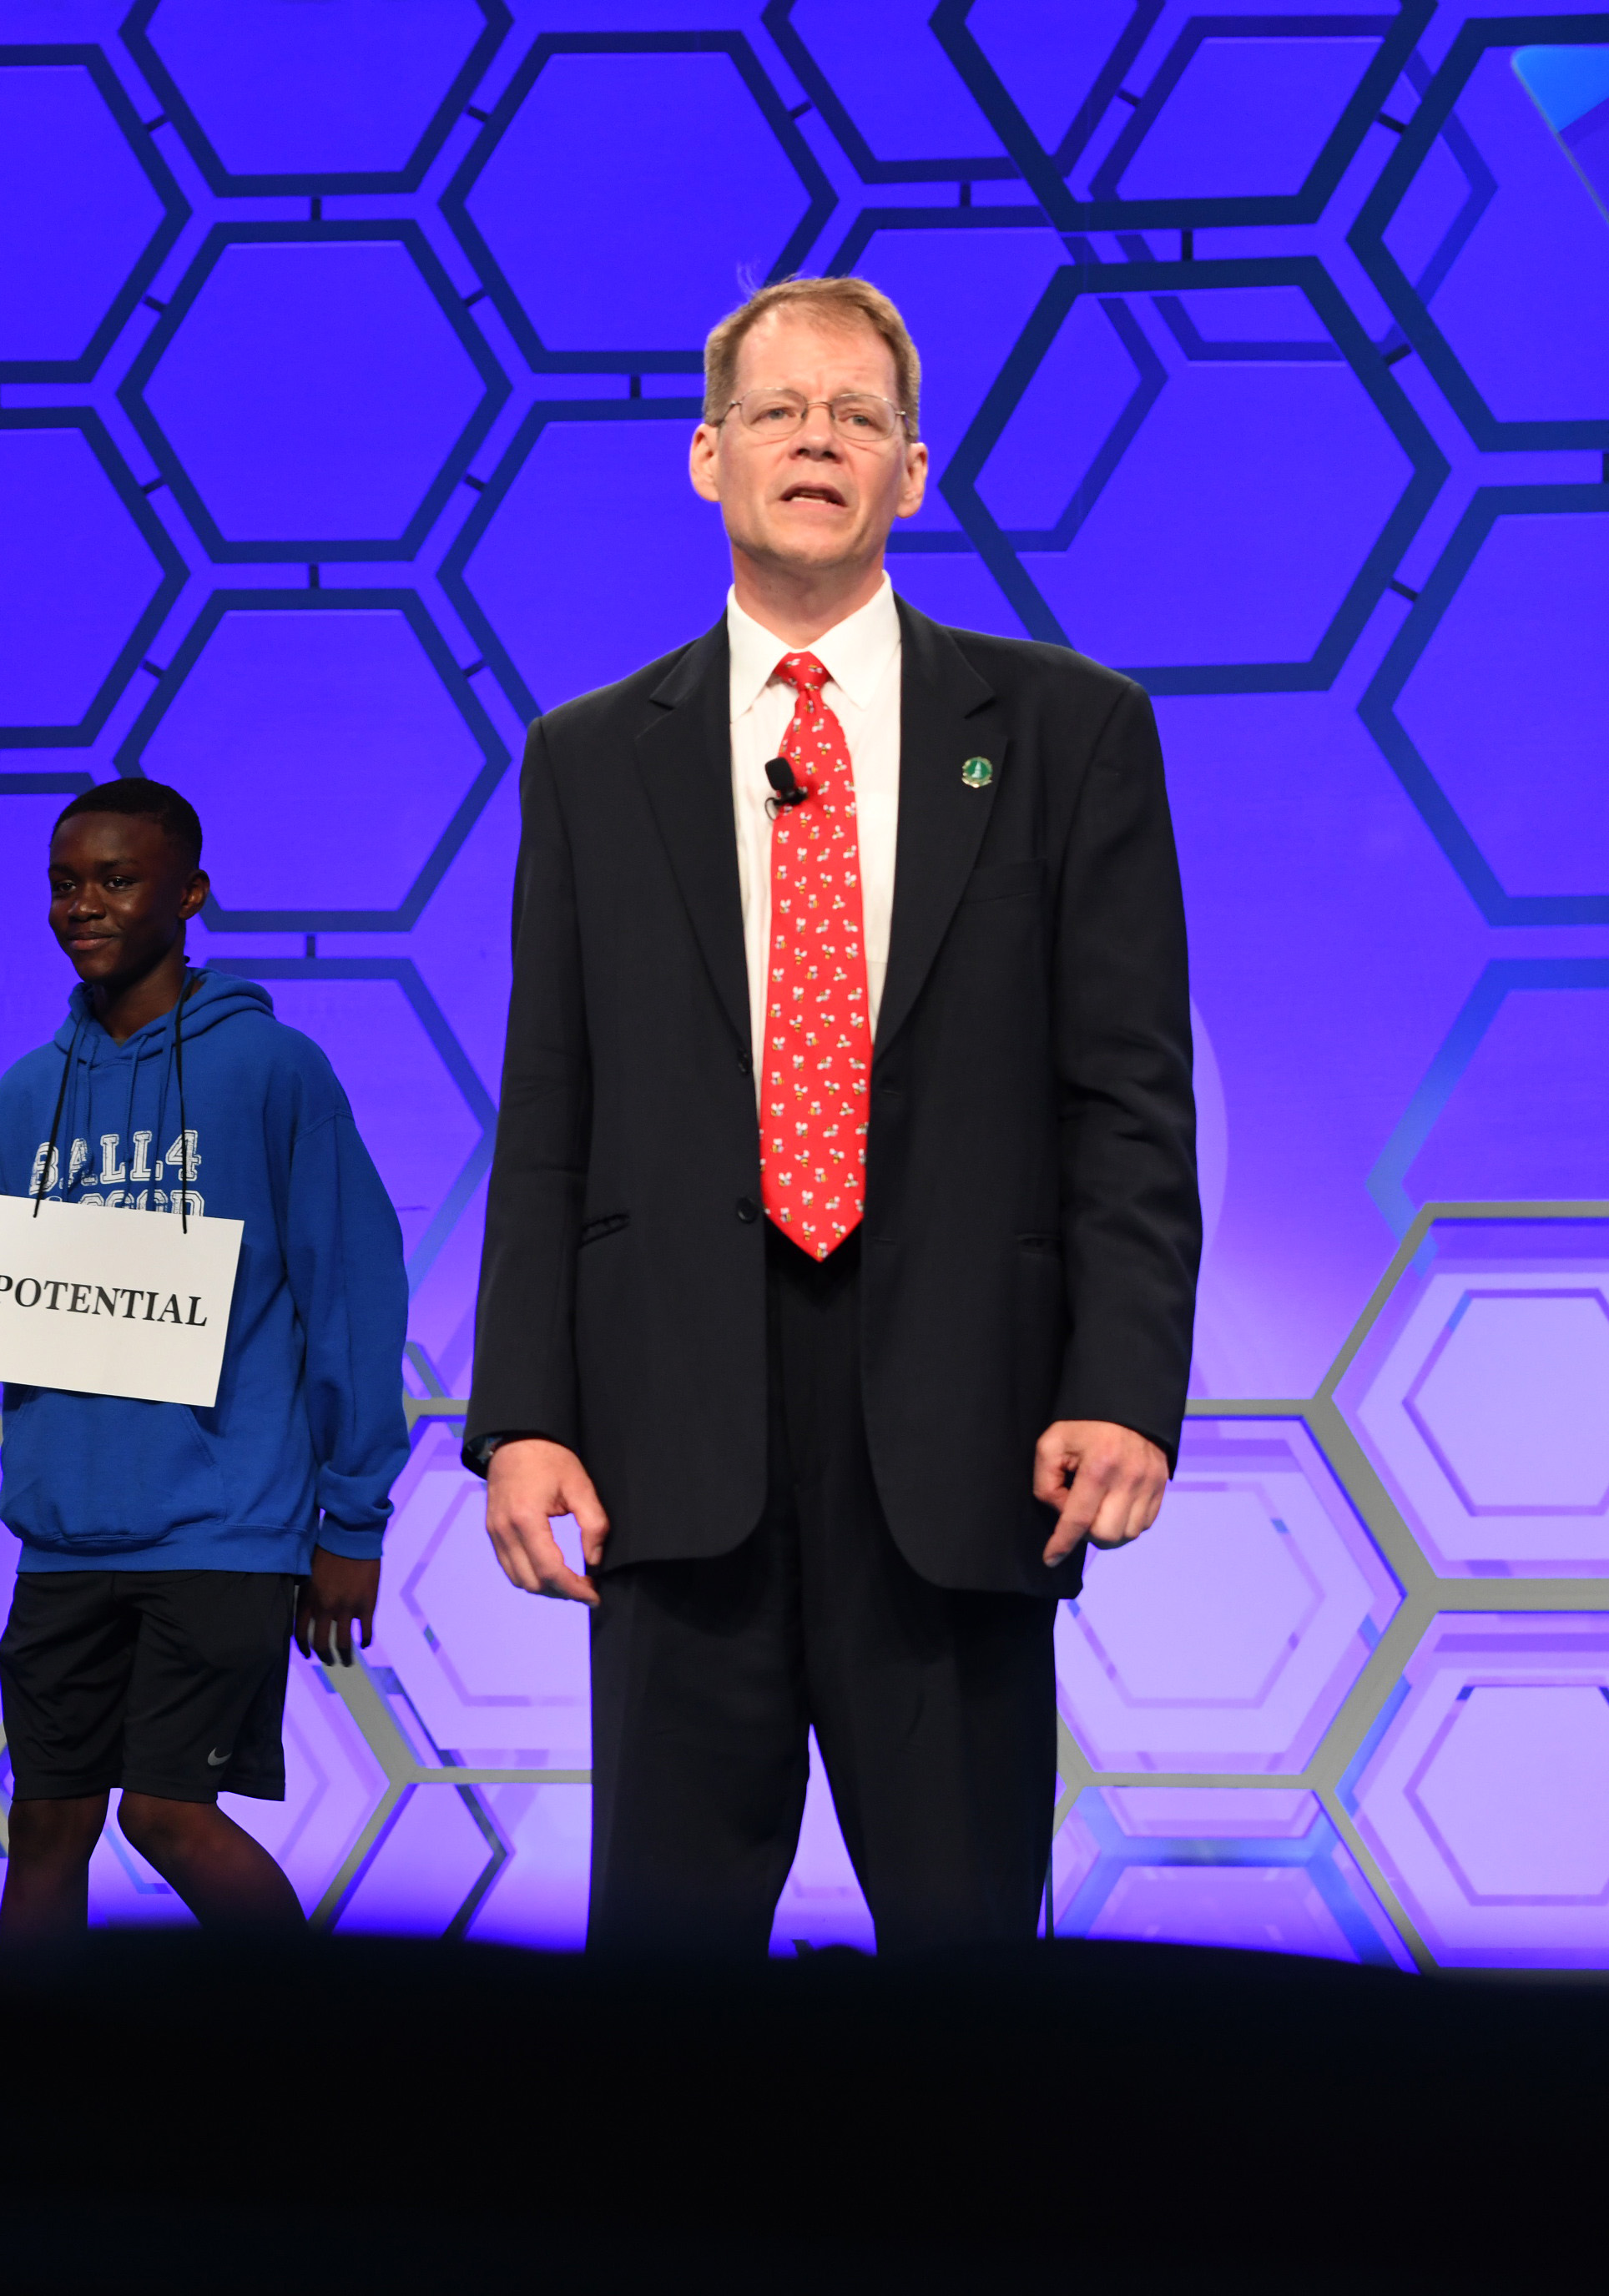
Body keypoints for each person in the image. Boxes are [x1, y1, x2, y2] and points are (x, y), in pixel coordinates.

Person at [464, 276, 1199, 1954]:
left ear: (912, 474)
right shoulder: (590, 759)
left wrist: (1122, 1380)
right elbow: (550, 1110)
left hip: (967, 1438)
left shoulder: (1069, 732)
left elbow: (1129, 1096)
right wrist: (522, 1415)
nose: (819, 441)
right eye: (782, 412)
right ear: (708, 457)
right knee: (660, 1996)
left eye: (858, 416)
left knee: (971, 1985)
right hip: (672, 1446)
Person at [0, 780, 409, 1946]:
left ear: (190, 895)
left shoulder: (274, 1070)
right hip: (66, 1534)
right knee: (48, 1823)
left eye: (117, 880)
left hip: (220, 1528)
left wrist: (352, 1524)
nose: (84, 905)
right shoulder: (25, 1096)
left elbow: (350, 1295)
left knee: (167, 1814)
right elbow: (24, 1315)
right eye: (65, 883)